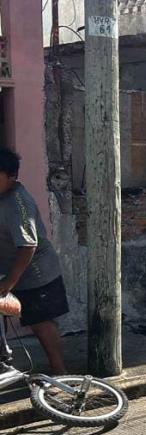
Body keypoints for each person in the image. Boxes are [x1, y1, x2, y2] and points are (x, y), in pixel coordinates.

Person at [0, 148, 67, 374]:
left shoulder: (18, 203)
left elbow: (28, 245)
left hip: (35, 272)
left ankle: (60, 374)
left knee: (41, 322)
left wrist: (9, 282)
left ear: (11, 177)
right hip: (11, 269)